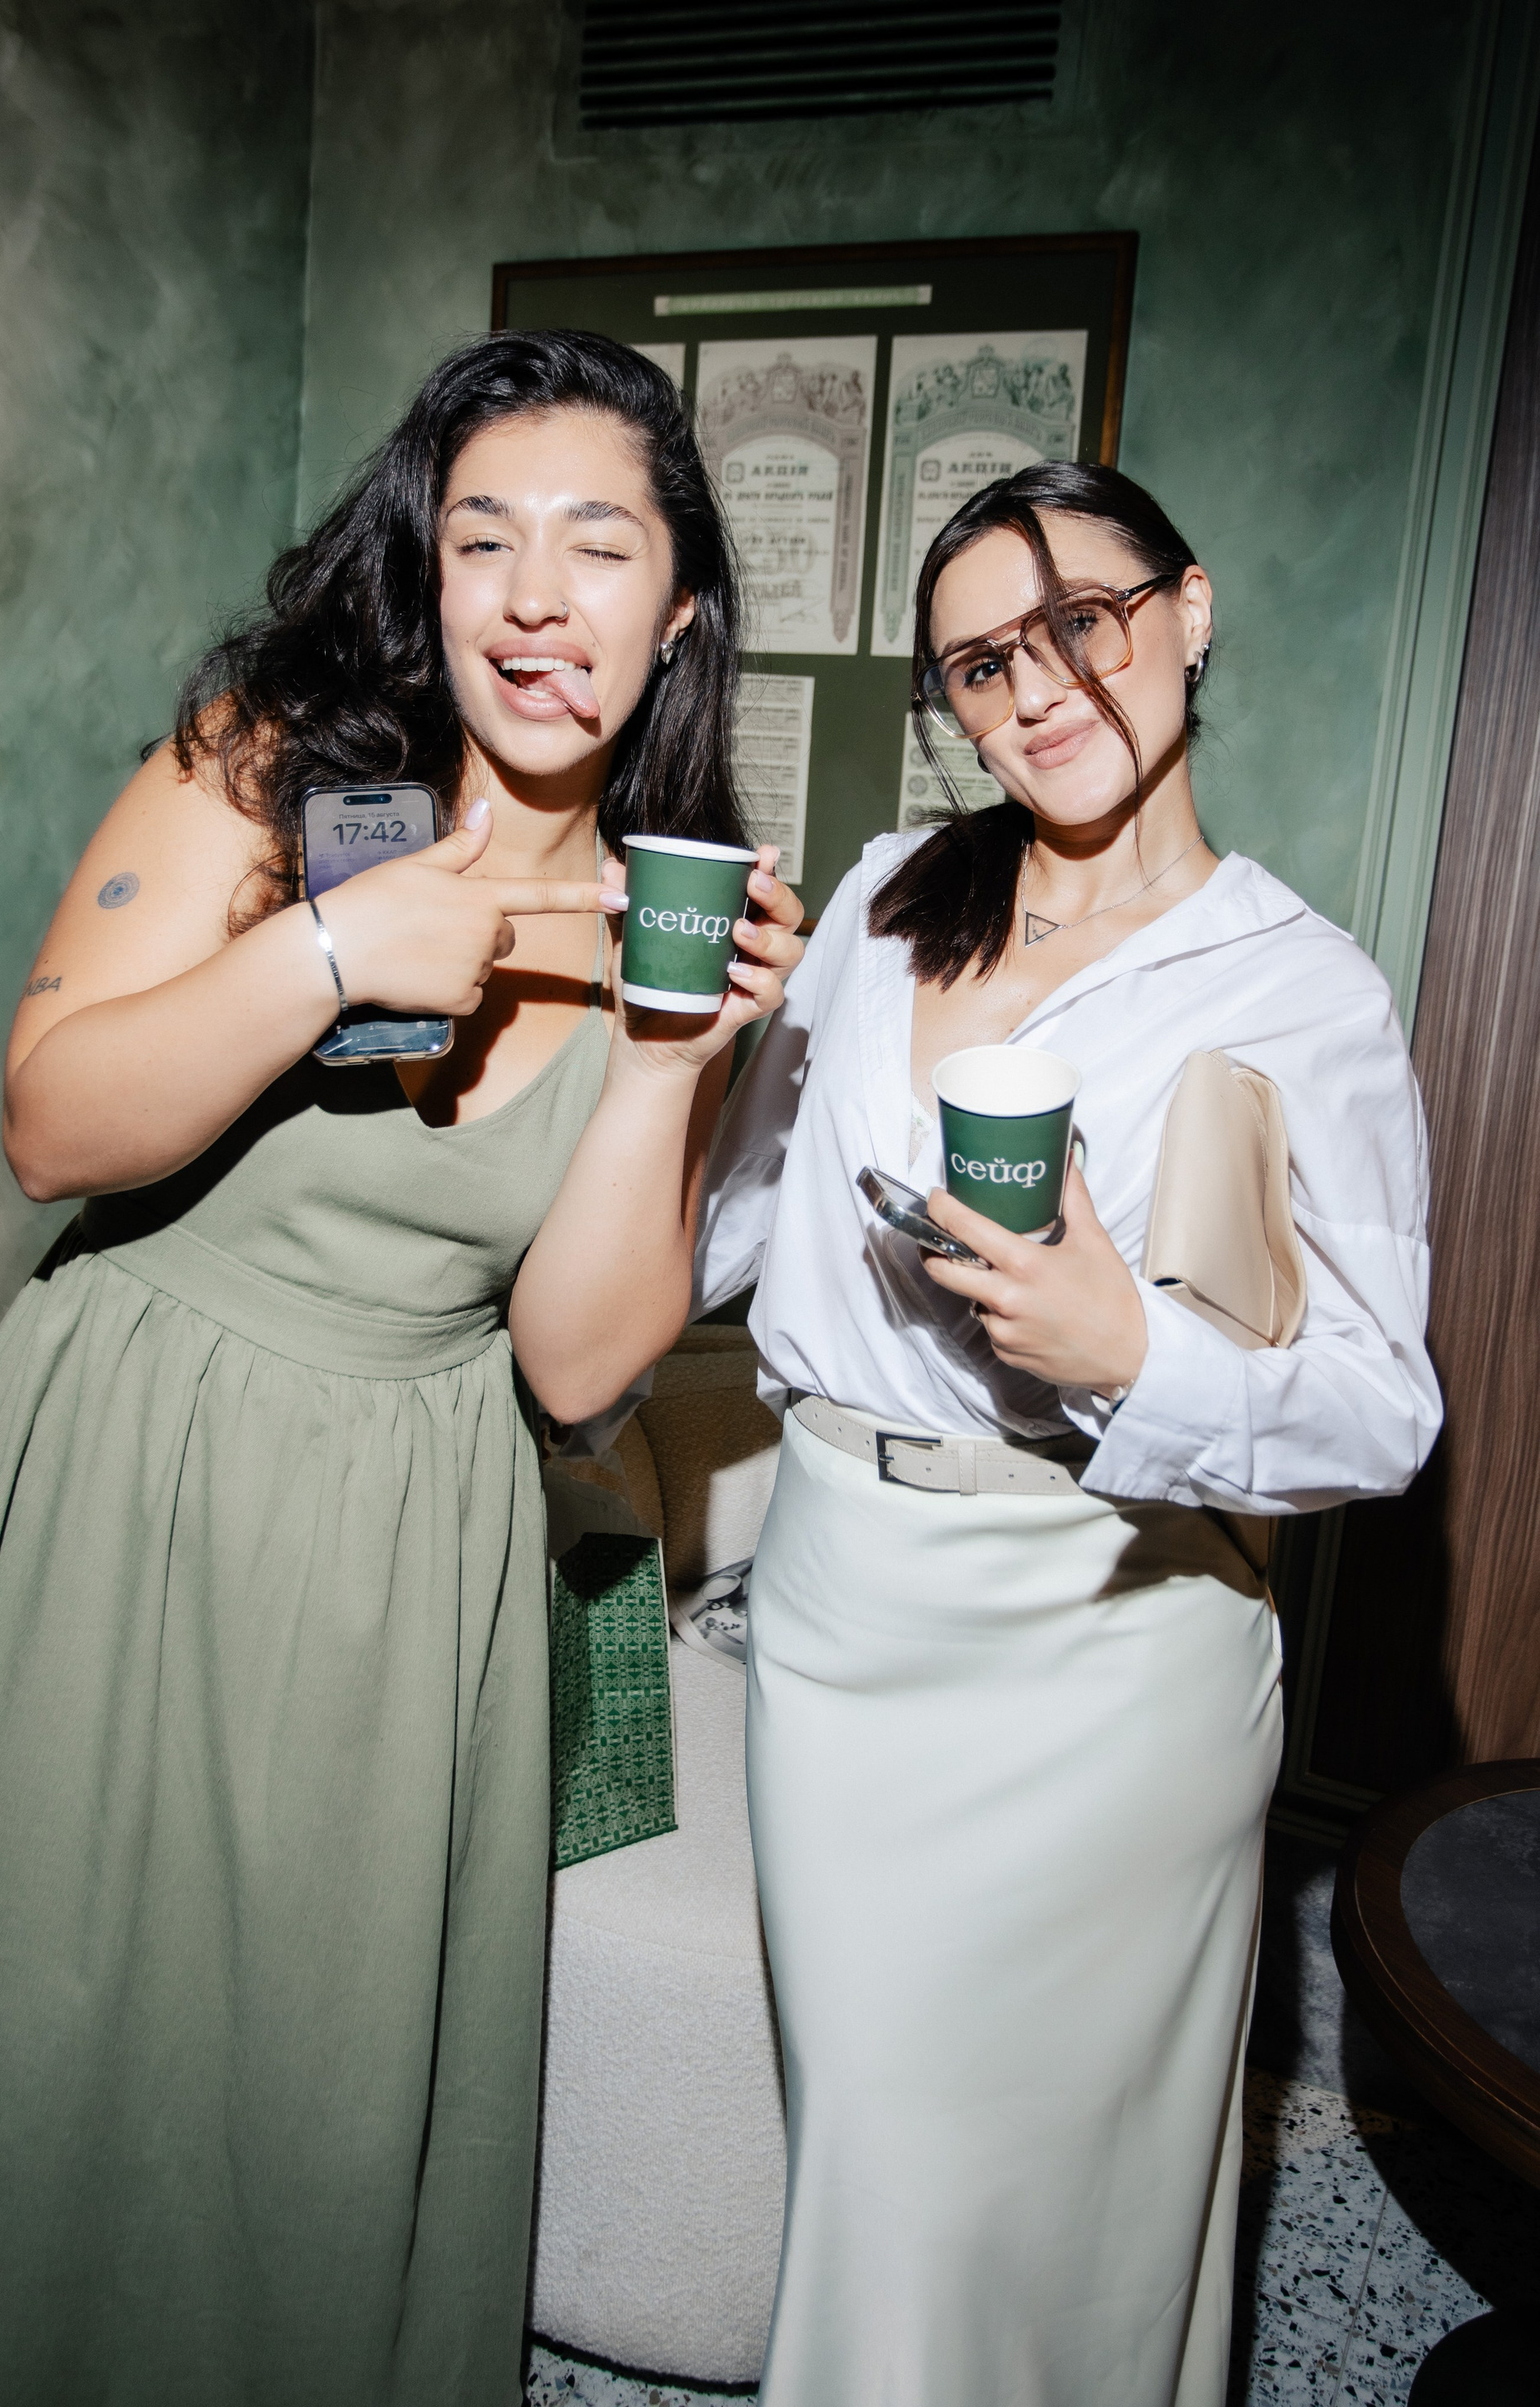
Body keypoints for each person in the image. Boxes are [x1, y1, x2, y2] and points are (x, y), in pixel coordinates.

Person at [0, 329, 802, 2406]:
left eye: (597, 545)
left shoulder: (666, 920)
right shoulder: (271, 768)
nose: (533, 595)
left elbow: (576, 1366)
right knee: (63, 2021)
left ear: (681, 606)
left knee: (325, 2081)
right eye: (482, 538)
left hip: (413, 1528)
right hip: (139, 1453)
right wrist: (327, 952)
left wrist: (668, 1071)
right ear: (427, 572)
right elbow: (49, 1127)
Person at [694, 461, 1441, 2407]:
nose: (1033, 691)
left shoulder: (1301, 989)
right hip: (842, 1619)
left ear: (1188, 612)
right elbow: (739, 1214)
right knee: (878, 2170)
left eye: (1079, 626)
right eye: (979, 665)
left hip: (1107, 1646)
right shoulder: (889, 898)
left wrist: (1133, 1353)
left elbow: (1383, 1408)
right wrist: (605, 1110)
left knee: (1049, 2199)